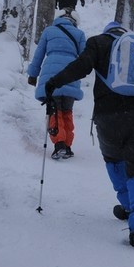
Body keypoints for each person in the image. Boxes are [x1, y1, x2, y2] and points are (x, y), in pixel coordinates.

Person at [42, 20, 134, 249]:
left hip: (108, 117)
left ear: (107, 32)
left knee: (115, 161)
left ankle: (128, 205)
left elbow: (79, 67)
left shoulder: (98, 43)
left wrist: (53, 83)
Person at [27, 10, 86, 159]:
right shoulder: (79, 34)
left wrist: (33, 75)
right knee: (67, 111)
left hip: (51, 77)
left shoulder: (49, 31)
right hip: (70, 75)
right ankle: (67, 145)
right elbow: (85, 58)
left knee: (54, 109)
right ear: (74, 21)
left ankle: (59, 144)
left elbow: (39, 54)